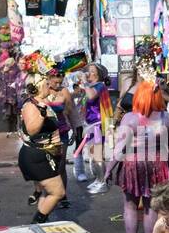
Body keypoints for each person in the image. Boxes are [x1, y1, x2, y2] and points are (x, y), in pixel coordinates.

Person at [108, 80, 169, 233]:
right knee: (151, 206)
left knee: (130, 205)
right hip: (158, 164)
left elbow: (119, 149)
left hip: (133, 164)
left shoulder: (129, 118)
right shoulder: (166, 117)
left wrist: (107, 171)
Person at [18, 81, 66, 223]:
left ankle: (40, 227)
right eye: (46, 84)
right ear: (38, 86)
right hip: (37, 156)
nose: (49, 86)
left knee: (49, 192)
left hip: (46, 155)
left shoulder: (40, 102)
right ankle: (37, 222)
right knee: (58, 193)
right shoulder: (31, 105)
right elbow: (32, 130)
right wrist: (42, 115)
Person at [41, 67, 77, 209]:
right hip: (45, 133)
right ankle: (48, 192)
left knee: (61, 165)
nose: (58, 85)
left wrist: (75, 130)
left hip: (61, 131)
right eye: (55, 82)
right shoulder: (43, 91)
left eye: (60, 82)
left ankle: (63, 195)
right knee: (47, 164)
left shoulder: (64, 92)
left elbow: (70, 112)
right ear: (49, 80)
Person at [76, 63, 113, 192]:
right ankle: (98, 179)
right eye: (88, 71)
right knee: (93, 155)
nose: (88, 73)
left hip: (98, 124)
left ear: (98, 75)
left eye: (91, 71)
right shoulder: (90, 86)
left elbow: (91, 96)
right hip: (90, 124)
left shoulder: (100, 85)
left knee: (97, 155)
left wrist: (85, 82)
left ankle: (103, 182)